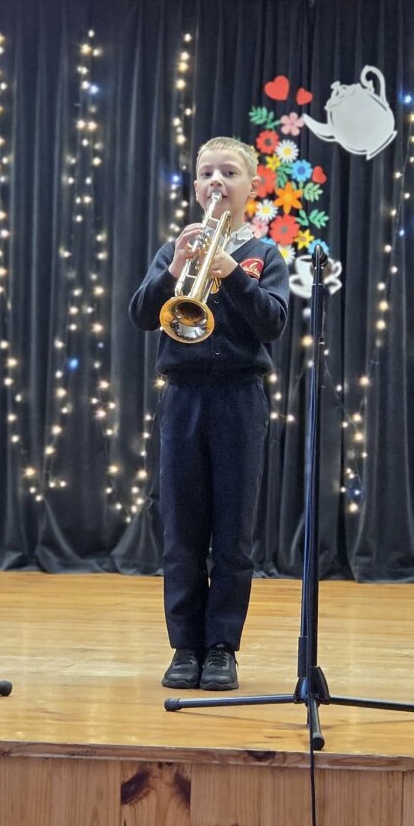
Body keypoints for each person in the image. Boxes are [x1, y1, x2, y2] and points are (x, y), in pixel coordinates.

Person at [129, 137, 290, 691]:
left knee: (233, 532)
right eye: (206, 173)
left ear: (251, 187)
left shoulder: (264, 254)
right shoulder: (175, 248)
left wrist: (233, 272)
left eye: (229, 172)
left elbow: (273, 323)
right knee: (182, 528)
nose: (216, 181)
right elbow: (142, 315)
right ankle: (185, 645)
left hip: (240, 398)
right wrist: (177, 265)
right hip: (183, 397)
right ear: (196, 186)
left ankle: (222, 647)